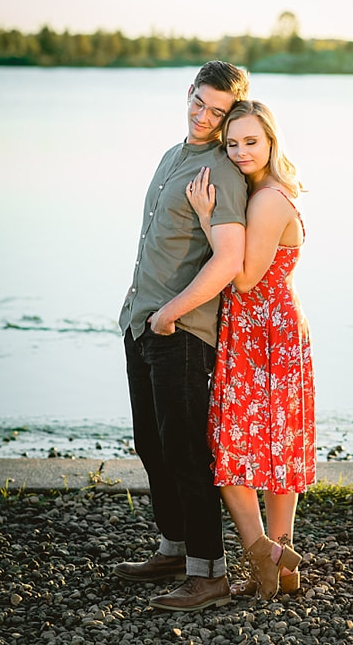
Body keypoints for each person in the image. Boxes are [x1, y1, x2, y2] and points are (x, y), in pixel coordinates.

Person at [115, 60, 250, 610]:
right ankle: (173, 550)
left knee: (186, 451)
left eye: (218, 111)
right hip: (141, 323)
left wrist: (170, 313)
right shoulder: (174, 156)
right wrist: (139, 312)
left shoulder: (220, 171)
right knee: (151, 443)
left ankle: (209, 572)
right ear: (188, 92)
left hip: (182, 331)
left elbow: (229, 260)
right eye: (199, 102)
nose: (204, 116)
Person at [185, 99, 315, 601]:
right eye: (232, 143)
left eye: (250, 142)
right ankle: (282, 566)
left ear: (271, 141)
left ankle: (265, 550)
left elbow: (241, 277)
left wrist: (205, 217)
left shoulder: (266, 200)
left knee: (229, 447)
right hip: (274, 328)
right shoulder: (265, 190)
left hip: (263, 331)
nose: (240, 152)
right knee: (278, 448)